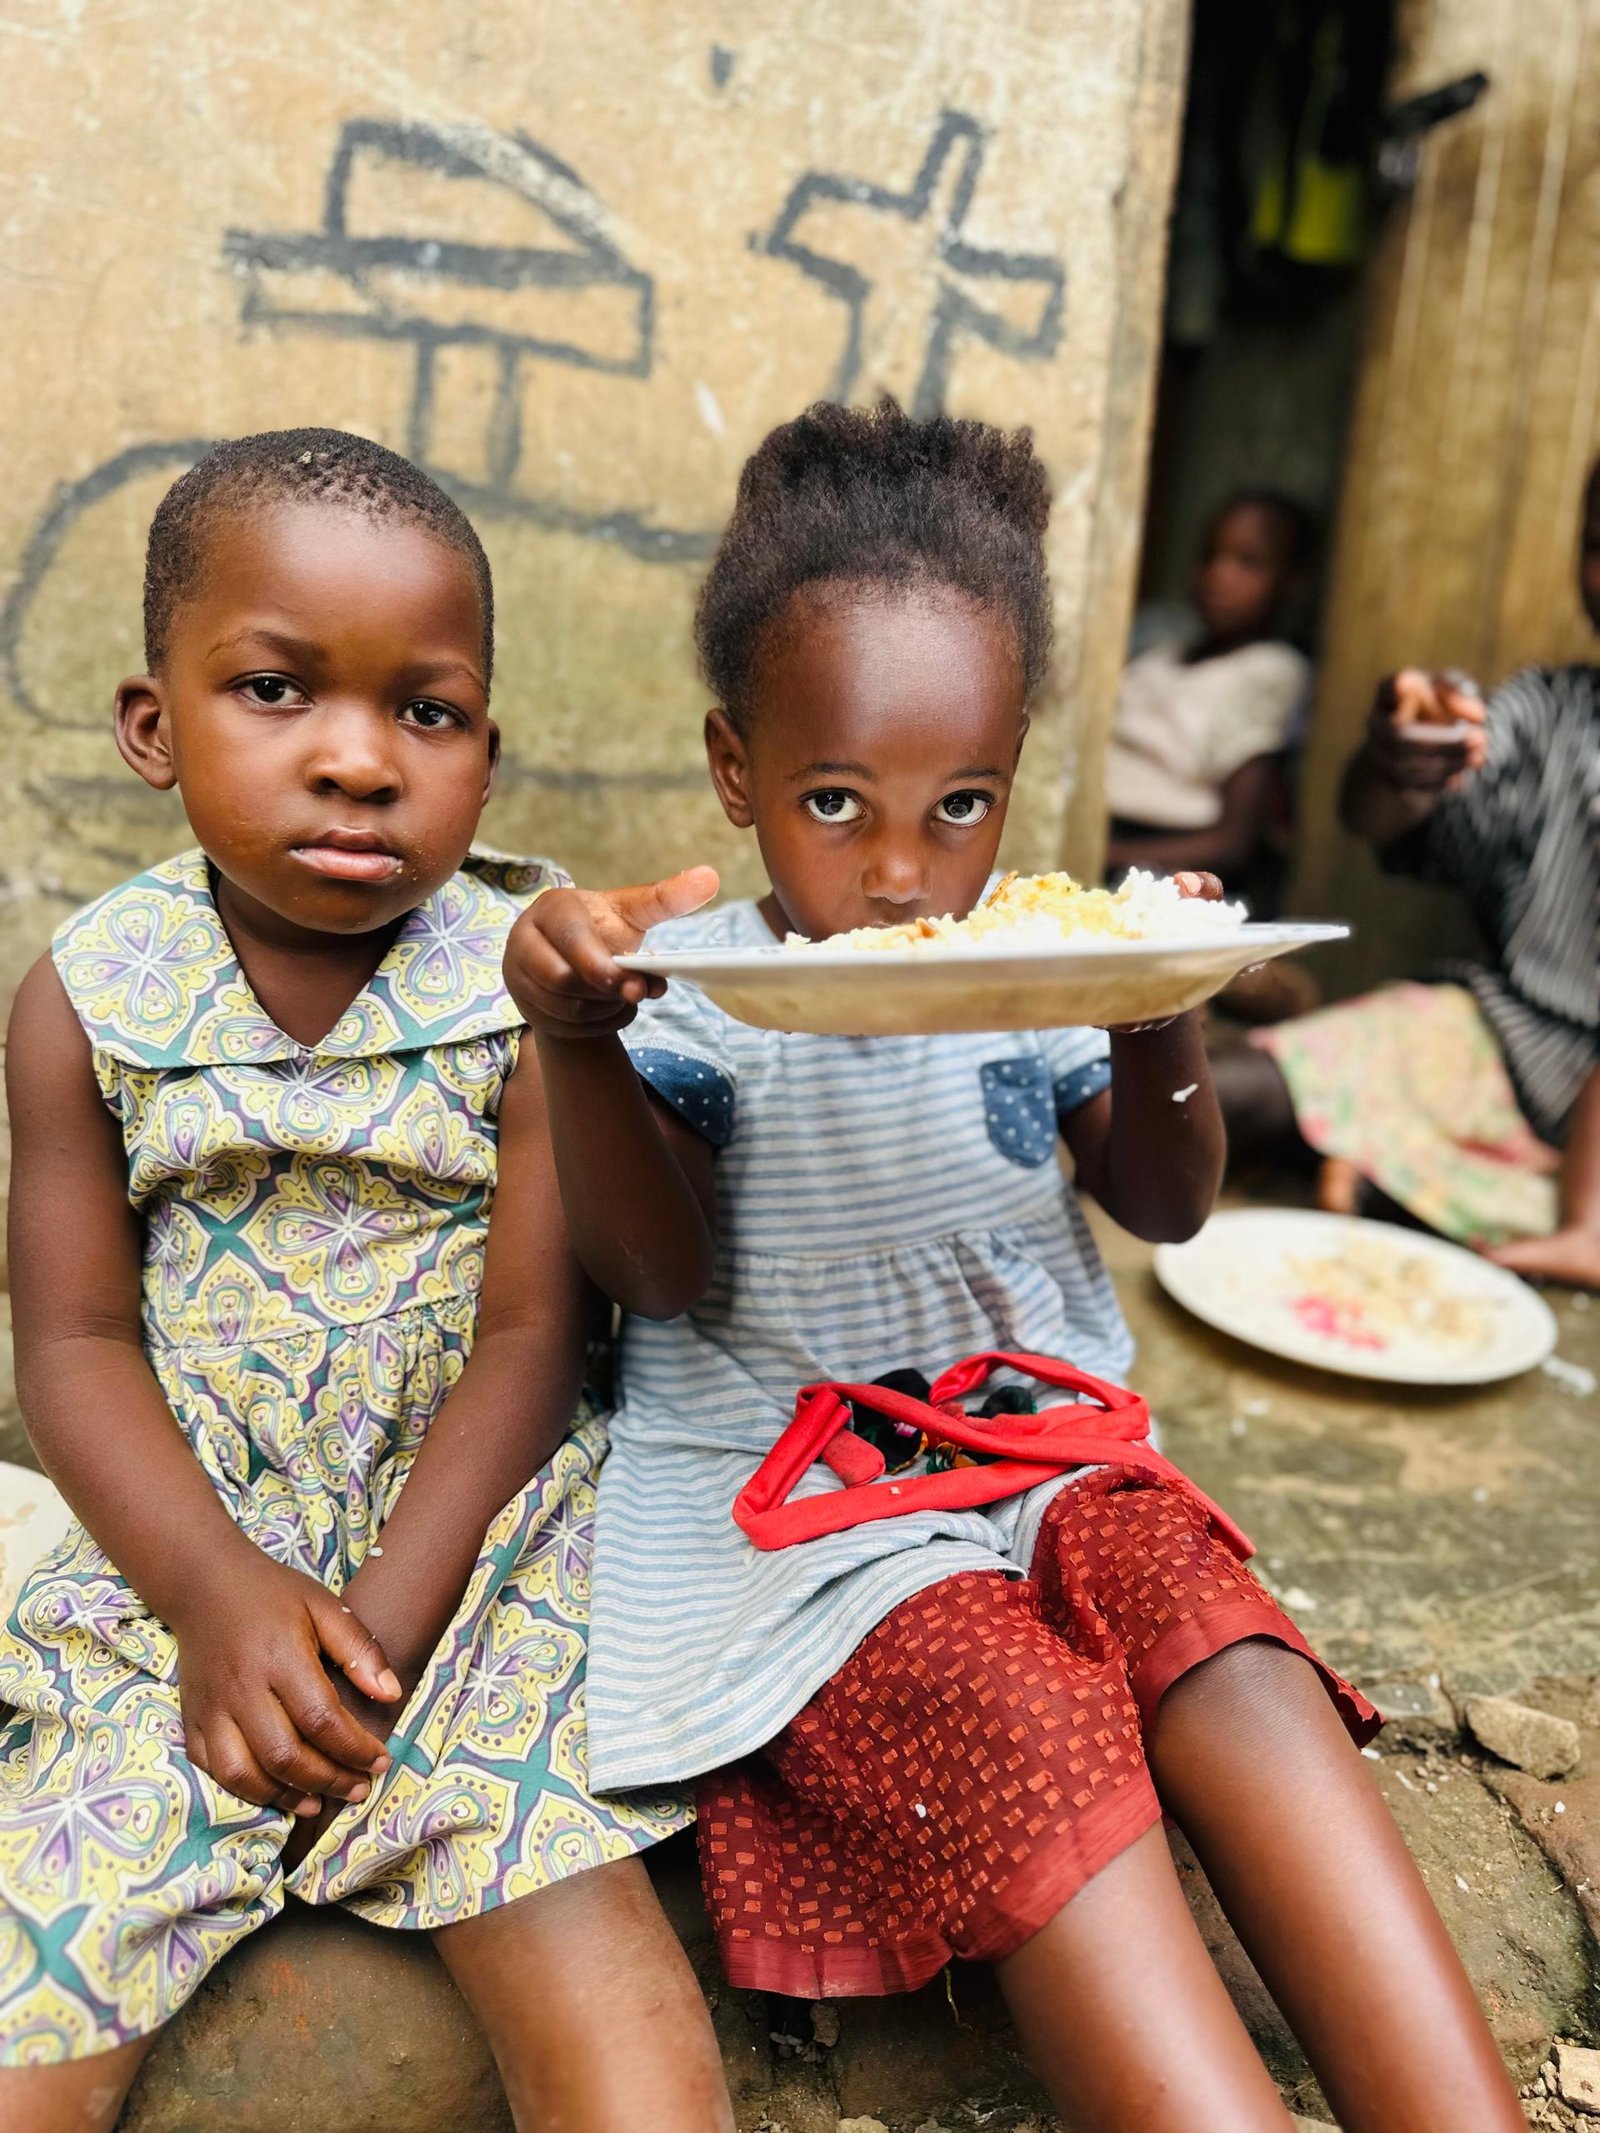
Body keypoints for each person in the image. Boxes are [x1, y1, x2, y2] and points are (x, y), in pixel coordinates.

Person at [503, 401, 1525, 2133]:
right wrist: (579, 1047)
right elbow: (656, 1278)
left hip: (1047, 1445)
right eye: (837, 801)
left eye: (958, 802)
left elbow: (1167, 1199)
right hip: (811, 1521)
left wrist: (1157, 1003)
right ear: (737, 768)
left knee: (1222, 1636)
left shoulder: (1028, 961)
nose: (902, 873)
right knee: (1001, 1687)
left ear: (1015, 765)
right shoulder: (689, 994)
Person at [0, 431, 730, 2133]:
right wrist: (220, 1602)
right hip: (186, 1561)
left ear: (489, 746)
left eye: (429, 709)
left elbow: (544, 1334)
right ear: (150, 725)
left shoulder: (522, 968)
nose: (358, 761)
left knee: (608, 2030)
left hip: (476, 1569)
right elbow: (80, 1342)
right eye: (274, 689)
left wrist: (379, 1638)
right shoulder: (91, 995)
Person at [1214, 465, 1600, 1288]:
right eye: (1599, 545)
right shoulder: (1552, 710)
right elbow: (1382, 816)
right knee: (1212, 1094)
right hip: (1505, 1047)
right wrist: (1400, 759)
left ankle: (1391, 1181)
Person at [1105, 490, 1313, 894]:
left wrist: (1103, 854)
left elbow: (1233, 842)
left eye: (1247, 562)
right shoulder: (1161, 655)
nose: (1218, 575)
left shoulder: (1269, 669)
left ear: (1293, 582)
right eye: (1209, 555)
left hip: (1154, 856)